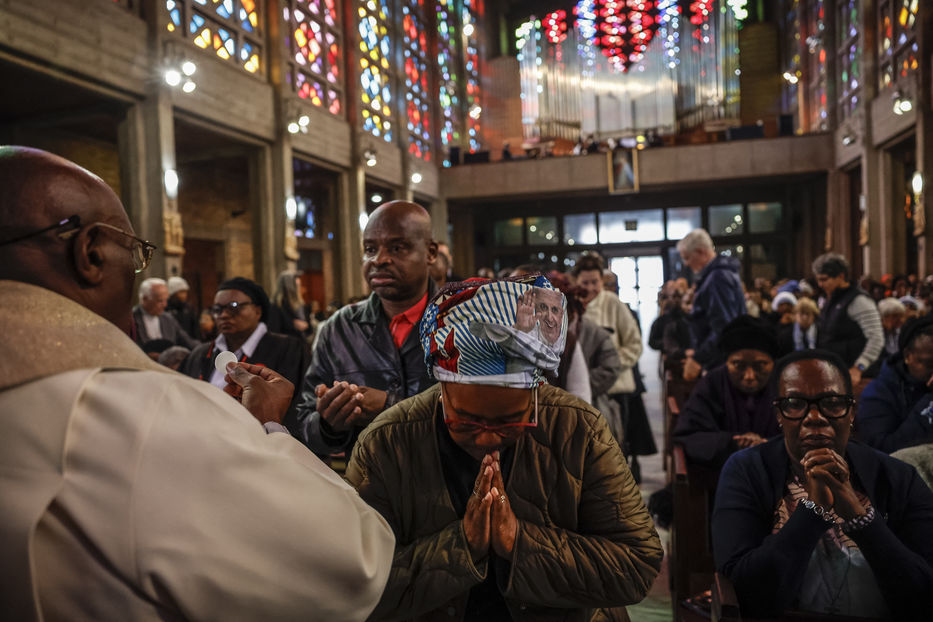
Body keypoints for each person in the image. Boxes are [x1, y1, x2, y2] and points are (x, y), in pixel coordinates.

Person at [0, 146, 394, 620]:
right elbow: (352, 564)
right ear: (90, 252)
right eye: (136, 252)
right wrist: (269, 429)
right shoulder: (145, 412)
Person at [346, 275, 663, 621]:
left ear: (536, 392)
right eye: (465, 421)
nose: (486, 439)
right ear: (441, 385)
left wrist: (519, 542)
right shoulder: (388, 442)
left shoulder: (578, 430)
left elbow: (637, 564)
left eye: (511, 421)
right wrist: (461, 545)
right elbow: (354, 584)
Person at [712, 349, 933, 620]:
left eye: (831, 402)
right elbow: (744, 591)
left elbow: (923, 595)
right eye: (794, 403)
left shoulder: (899, 477)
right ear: (779, 415)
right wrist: (814, 509)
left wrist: (859, 516)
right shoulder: (746, 471)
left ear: (851, 411)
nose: (814, 417)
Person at [293, 201, 439, 456]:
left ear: (430, 253)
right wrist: (329, 424)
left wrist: (390, 407)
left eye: (397, 247)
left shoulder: (462, 321)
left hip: (448, 487)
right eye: (370, 249)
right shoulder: (340, 327)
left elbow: (482, 418)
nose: (379, 260)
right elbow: (305, 418)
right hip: (364, 486)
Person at [179, 277, 311, 429]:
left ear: (257, 311)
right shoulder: (200, 354)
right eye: (217, 309)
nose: (224, 315)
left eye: (234, 306)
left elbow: (298, 409)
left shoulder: (289, 349)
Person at [673, 315, 781, 468]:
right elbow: (689, 436)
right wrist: (733, 442)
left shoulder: (786, 384)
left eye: (760, 365)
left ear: (773, 363)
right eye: (738, 365)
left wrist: (768, 445)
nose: (749, 376)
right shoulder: (712, 383)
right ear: (727, 362)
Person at [573, 255, 645, 448]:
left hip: (615, 390)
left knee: (615, 449)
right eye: (585, 282)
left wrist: (608, 367)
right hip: (579, 392)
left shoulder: (612, 303)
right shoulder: (571, 305)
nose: (590, 288)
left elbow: (634, 344)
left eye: (595, 282)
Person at [676, 229, 746, 380]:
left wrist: (698, 359)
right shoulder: (718, 275)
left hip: (721, 362)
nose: (686, 264)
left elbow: (724, 328)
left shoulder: (717, 277)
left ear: (700, 252)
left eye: (687, 258)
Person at [856, 316, 933, 453]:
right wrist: (930, 404)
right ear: (907, 356)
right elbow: (882, 451)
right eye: (929, 364)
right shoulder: (878, 393)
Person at [812, 252, 883, 385]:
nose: (820, 284)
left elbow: (876, 338)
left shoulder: (859, 300)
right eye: (818, 280)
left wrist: (859, 367)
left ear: (841, 276)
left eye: (824, 279)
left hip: (857, 377)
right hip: (834, 374)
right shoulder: (829, 300)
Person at [132, 277, 199, 349]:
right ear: (145, 299)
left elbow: (188, 342)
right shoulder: (131, 319)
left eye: (166, 300)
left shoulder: (168, 319)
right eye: (160, 301)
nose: (165, 305)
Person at [270, 270, 310, 338]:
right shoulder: (277, 304)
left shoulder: (300, 303)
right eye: (295, 279)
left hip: (301, 343)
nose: (298, 281)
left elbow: (307, 324)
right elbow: (275, 329)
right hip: (287, 344)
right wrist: (292, 324)